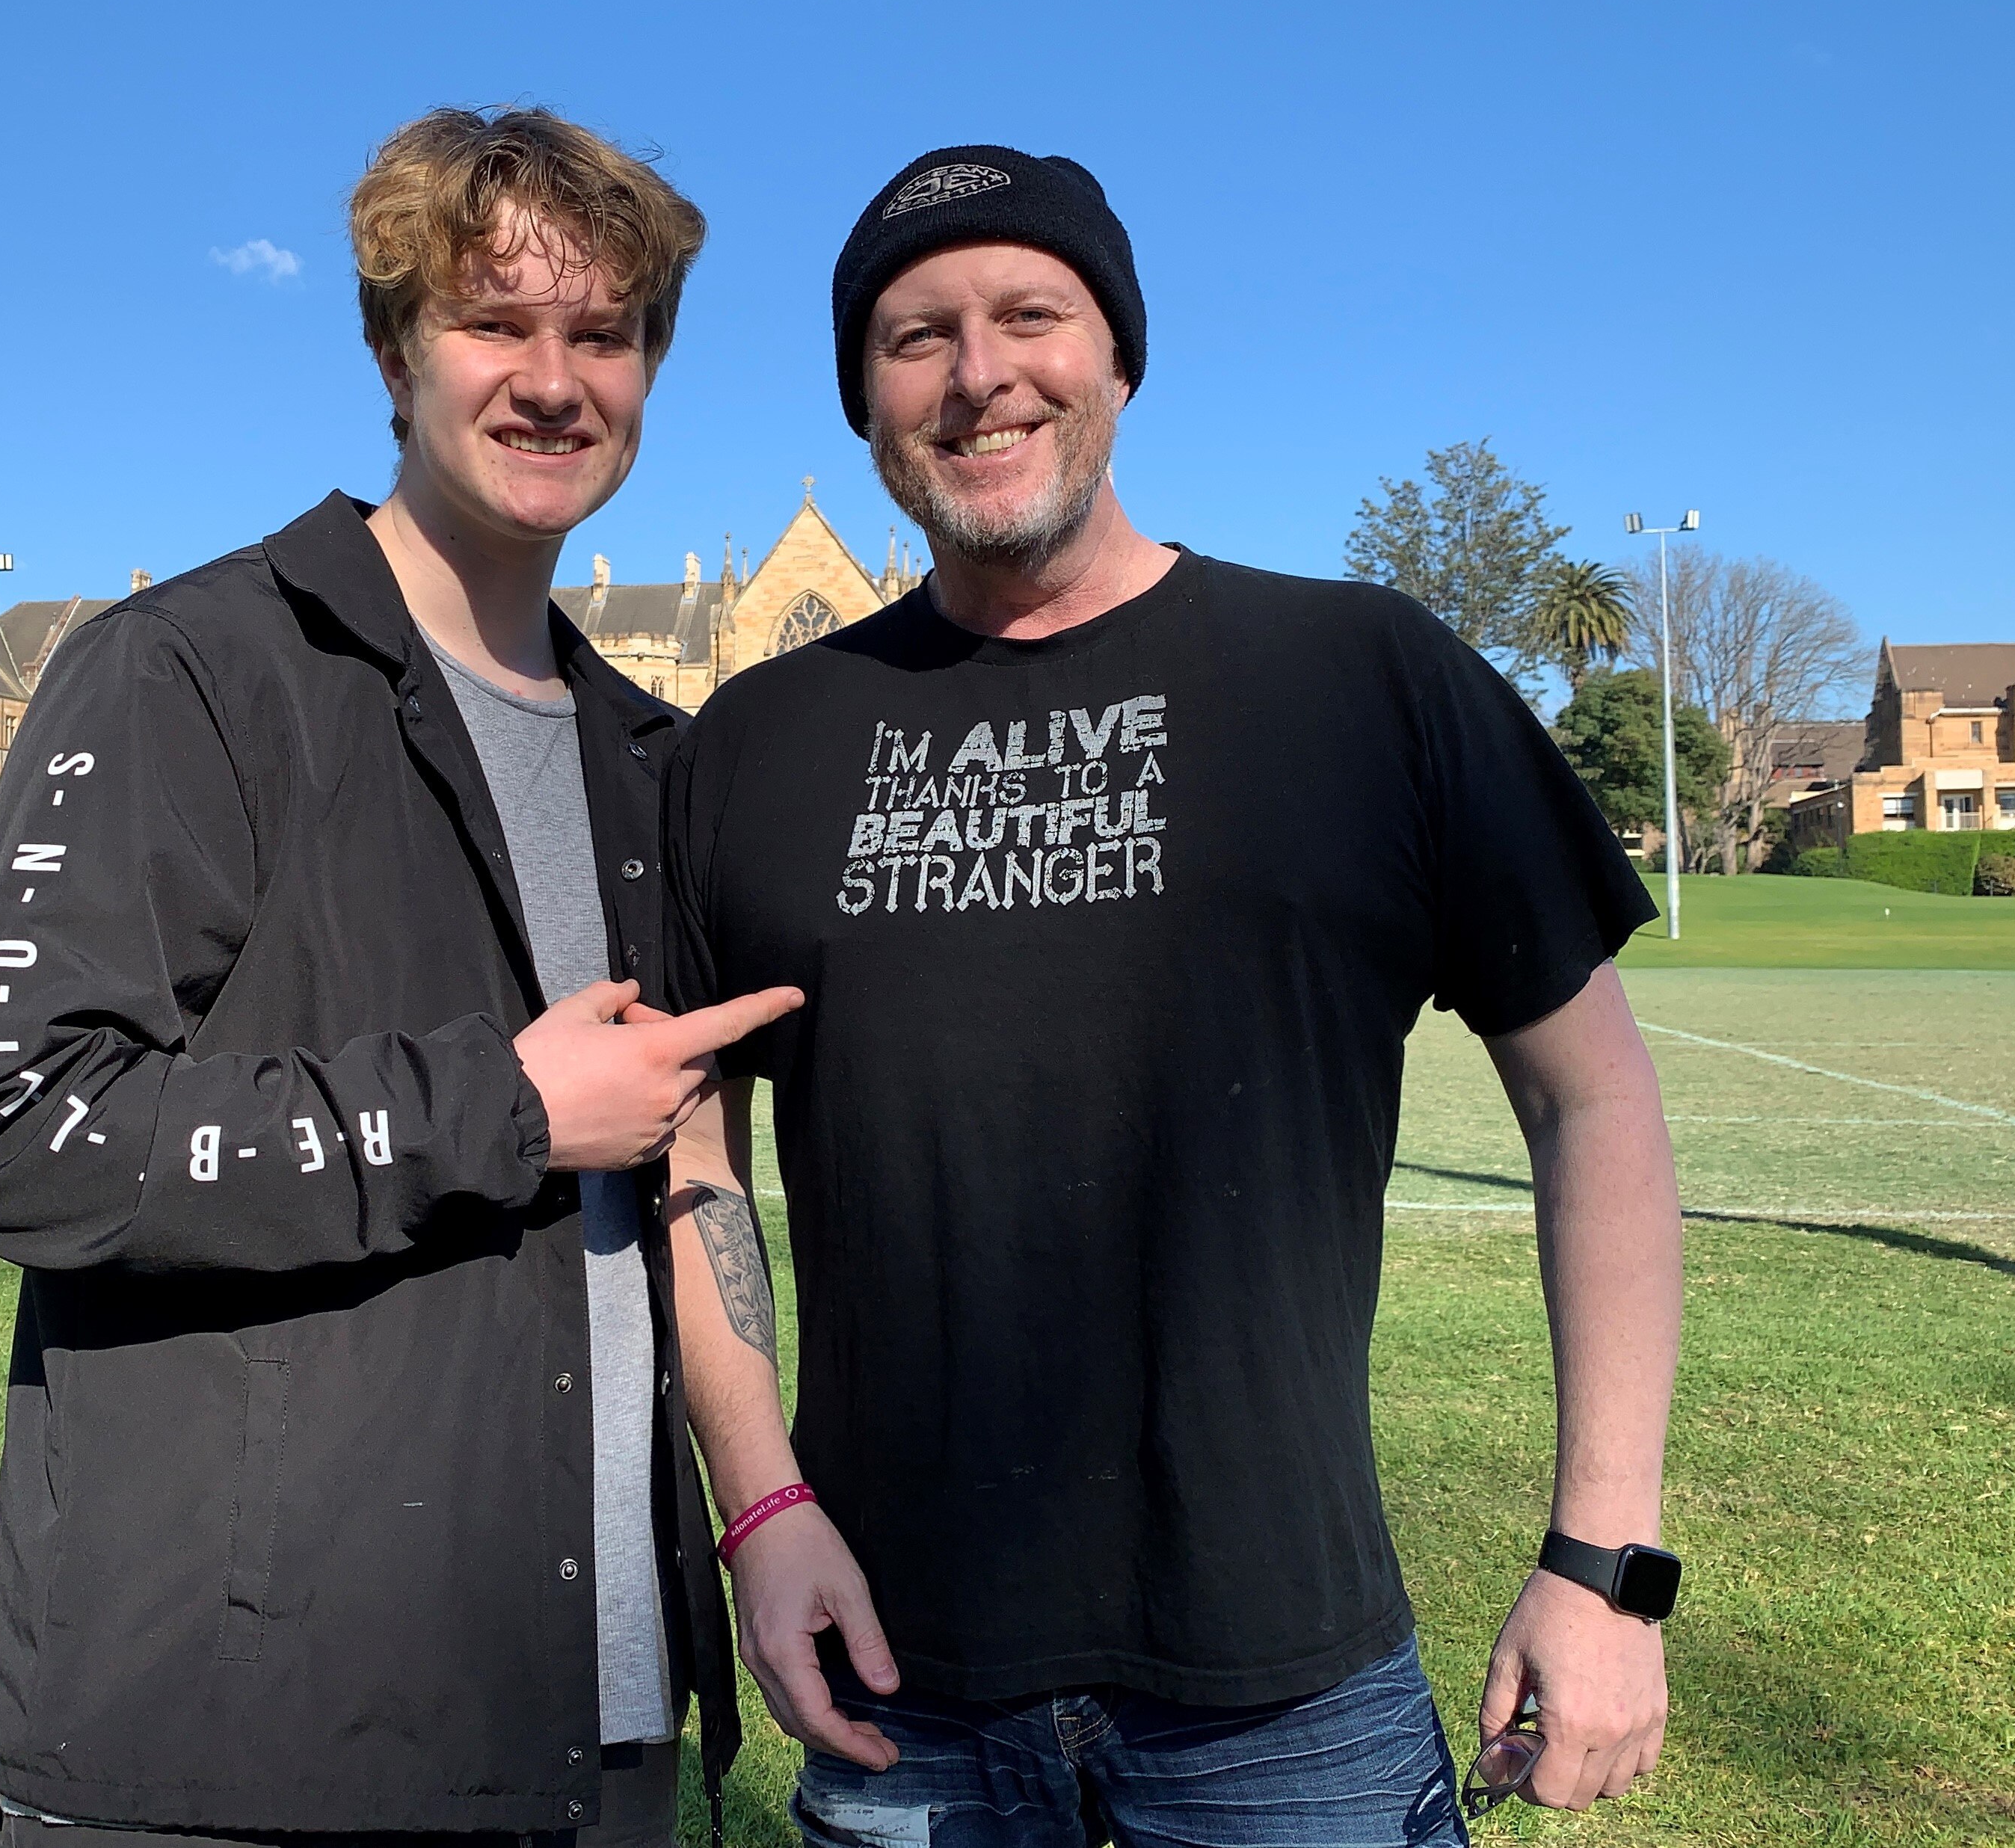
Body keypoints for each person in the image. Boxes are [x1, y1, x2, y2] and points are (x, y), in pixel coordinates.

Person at [660, 144, 1685, 1847]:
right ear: (865, 405)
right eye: (915, 337)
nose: (979, 372)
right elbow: (691, 1145)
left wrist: (1606, 1562)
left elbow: (1596, 1100)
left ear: (1117, 356)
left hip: (1288, 1704)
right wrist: (759, 1507)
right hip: (900, 1688)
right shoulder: (752, 748)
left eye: (1030, 313)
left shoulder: (1364, 676)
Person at [0, 106, 798, 1848]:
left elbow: (690, 1167)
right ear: (396, 349)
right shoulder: (189, 669)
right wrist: (509, 1104)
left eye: (603, 334)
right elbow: (13, 1125)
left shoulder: (654, 761)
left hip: (594, 1726)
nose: (554, 379)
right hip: (250, 1755)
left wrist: (764, 1510)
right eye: (496, 322)